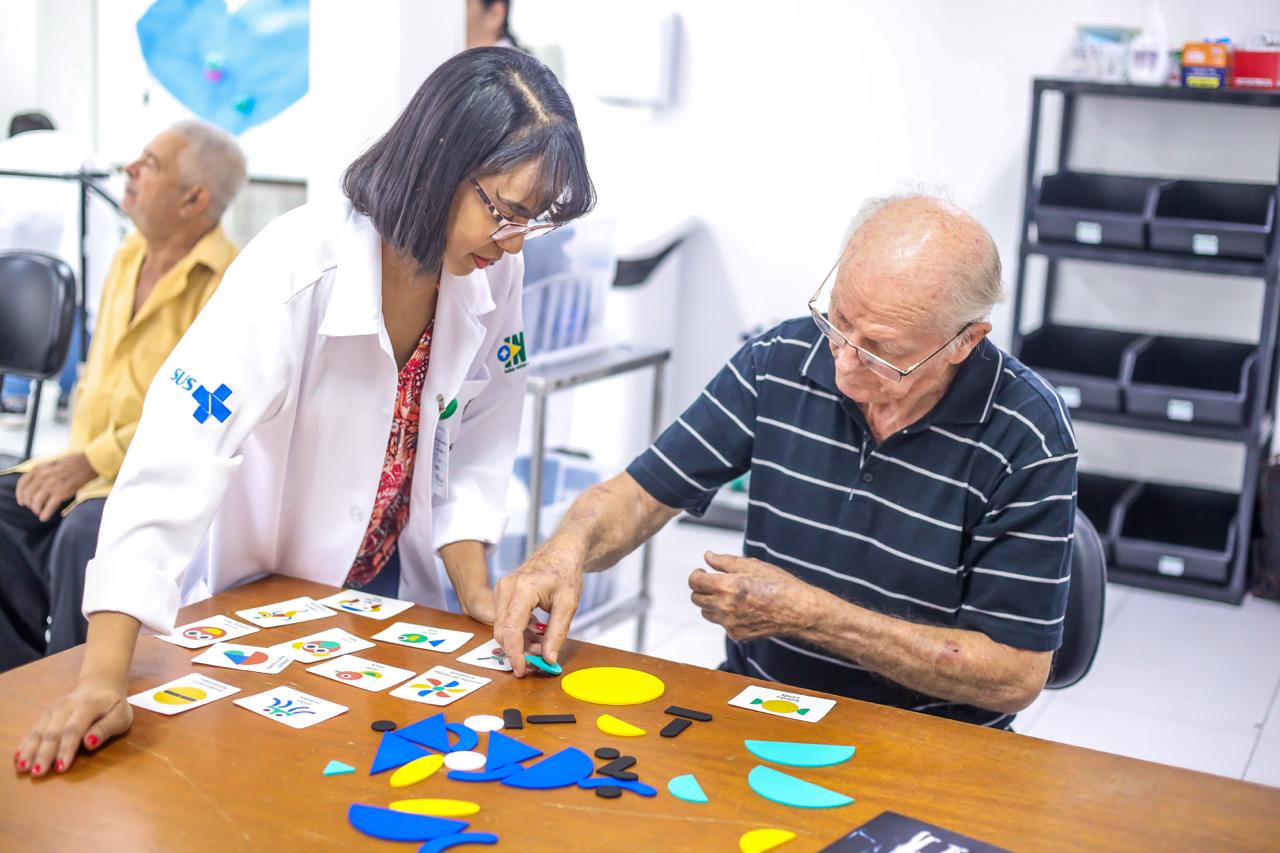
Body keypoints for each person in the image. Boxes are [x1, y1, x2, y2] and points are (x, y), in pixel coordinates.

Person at [14, 47, 594, 778]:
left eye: (530, 222)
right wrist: (102, 677)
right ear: (443, 162)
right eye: (505, 212)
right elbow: (177, 453)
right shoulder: (296, 264)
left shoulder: (492, 270)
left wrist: (475, 587)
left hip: (390, 594)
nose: (512, 241)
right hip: (266, 598)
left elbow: (483, 424)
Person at [493, 195, 1077, 729]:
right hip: (759, 705)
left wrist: (814, 617)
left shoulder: (1029, 434)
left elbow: (1014, 675)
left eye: (883, 352)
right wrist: (562, 554)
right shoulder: (782, 357)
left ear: (964, 342)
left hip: (930, 739)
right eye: (838, 321)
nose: (845, 363)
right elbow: (639, 494)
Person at [0, 119, 245, 671]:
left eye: (150, 164)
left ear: (193, 198)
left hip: (156, 477)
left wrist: (89, 462)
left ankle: (74, 690)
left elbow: (198, 416)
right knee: (6, 511)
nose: (129, 170)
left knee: (85, 535)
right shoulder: (128, 255)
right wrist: (74, 463)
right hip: (84, 467)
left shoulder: (229, 281)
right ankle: (19, 680)